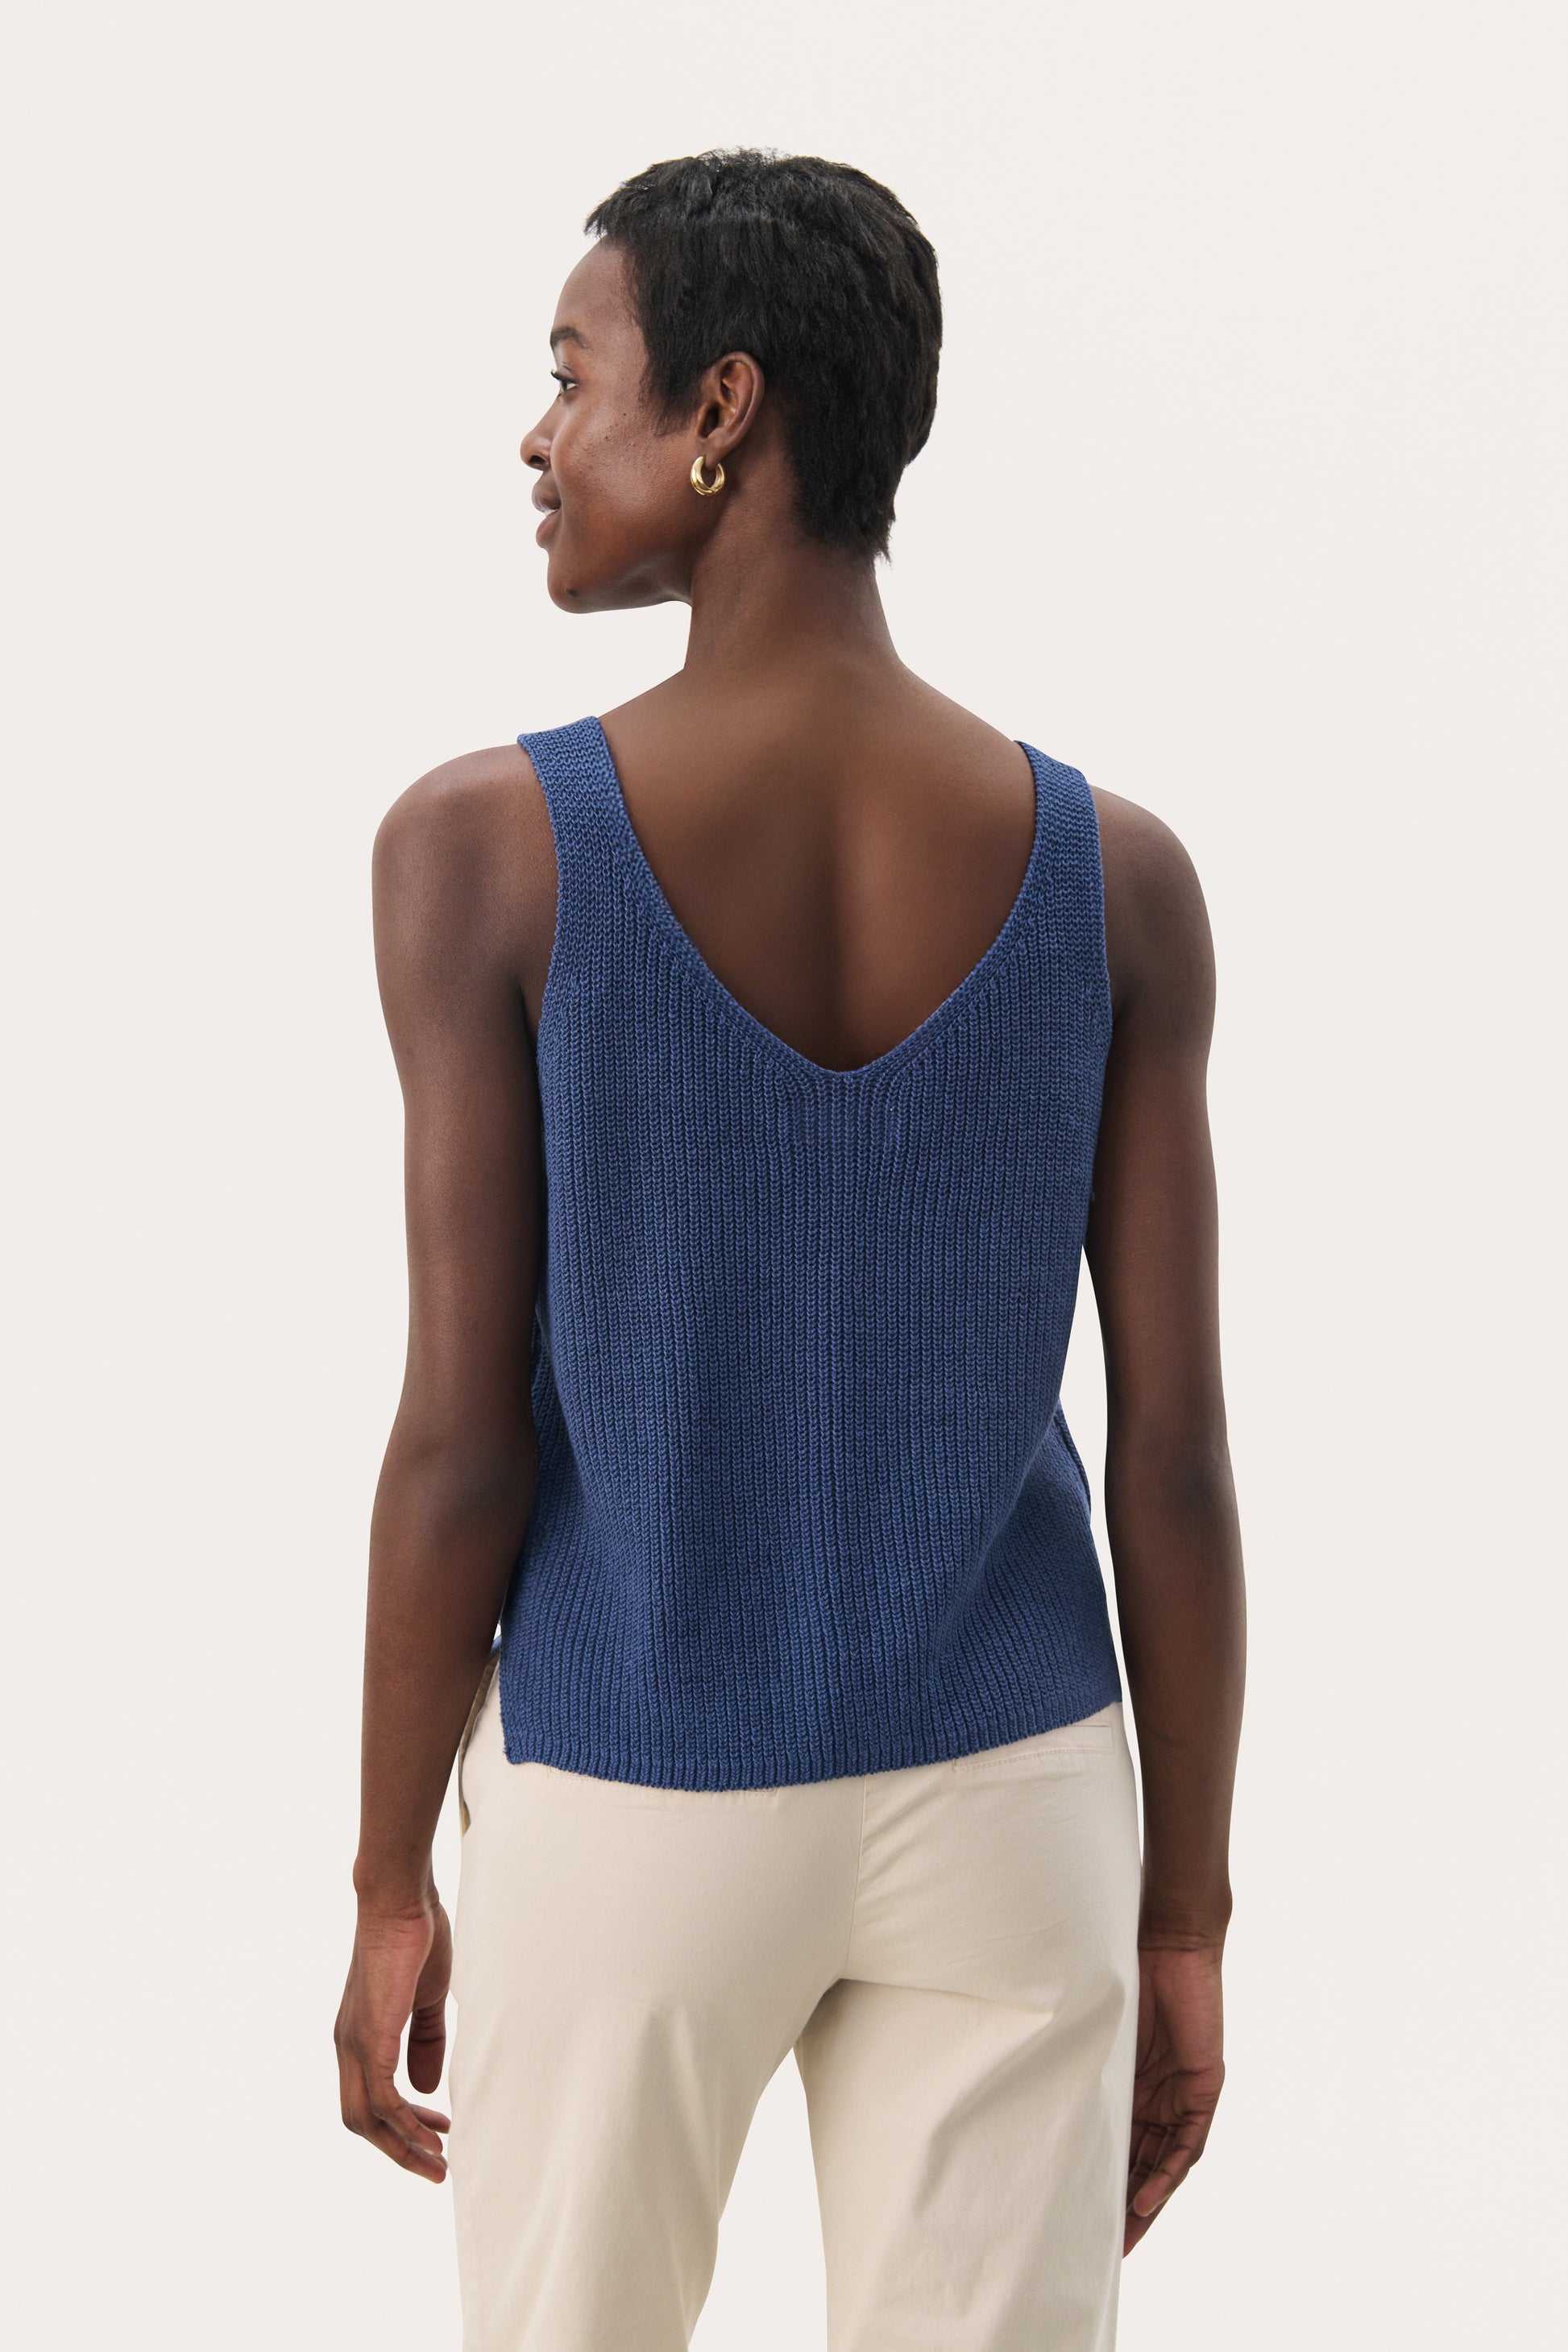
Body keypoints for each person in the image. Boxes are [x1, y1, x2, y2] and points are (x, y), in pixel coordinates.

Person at [334, 148, 1246, 2352]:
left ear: (720, 410)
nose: (540, 435)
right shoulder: (1115, 876)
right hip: (1015, 1788)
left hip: (630, 1779)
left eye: (578, 376)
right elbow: (1175, 1461)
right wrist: (1183, 1915)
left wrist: (384, 1875)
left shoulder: (485, 850)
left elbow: (461, 1442)